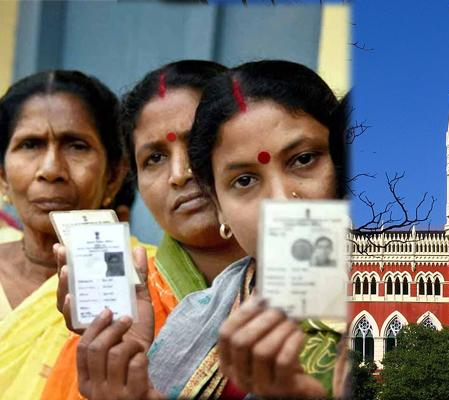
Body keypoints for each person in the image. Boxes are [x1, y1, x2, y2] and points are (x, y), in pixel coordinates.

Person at [74, 60, 350, 399]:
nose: (281, 201)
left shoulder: (407, 299)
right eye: (244, 180)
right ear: (218, 204)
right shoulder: (192, 325)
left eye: (304, 159)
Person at [42, 60, 247, 400]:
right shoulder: (119, 315)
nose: (180, 173)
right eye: (154, 158)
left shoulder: (312, 285)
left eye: (197, 142)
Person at [0, 70, 127, 399]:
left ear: (114, 175)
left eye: (76, 146)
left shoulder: (148, 279)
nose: (52, 170)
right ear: (1, 176)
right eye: (30, 145)